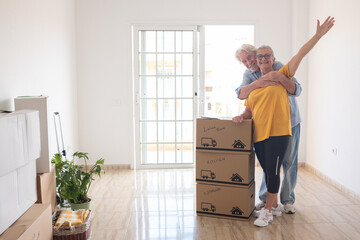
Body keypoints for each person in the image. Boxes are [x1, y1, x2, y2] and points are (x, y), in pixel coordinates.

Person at [232, 16, 335, 227]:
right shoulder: (253, 82)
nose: (259, 60)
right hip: (260, 134)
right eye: (257, 58)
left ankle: (273, 207)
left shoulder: (281, 72)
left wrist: (317, 36)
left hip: (281, 130)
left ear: (272, 58)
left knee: (280, 167)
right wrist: (241, 116)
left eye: (264, 56)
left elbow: (300, 57)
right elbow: (247, 105)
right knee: (269, 169)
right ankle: (272, 203)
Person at [235, 45, 302, 215]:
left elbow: (296, 89)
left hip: (289, 122)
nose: (249, 63)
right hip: (266, 127)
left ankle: (287, 200)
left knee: (289, 163)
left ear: (257, 55)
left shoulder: (277, 65)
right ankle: (267, 199)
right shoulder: (249, 75)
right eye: (244, 61)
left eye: (250, 57)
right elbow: (241, 94)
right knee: (270, 165)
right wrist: (259, 83)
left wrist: (278, 78)